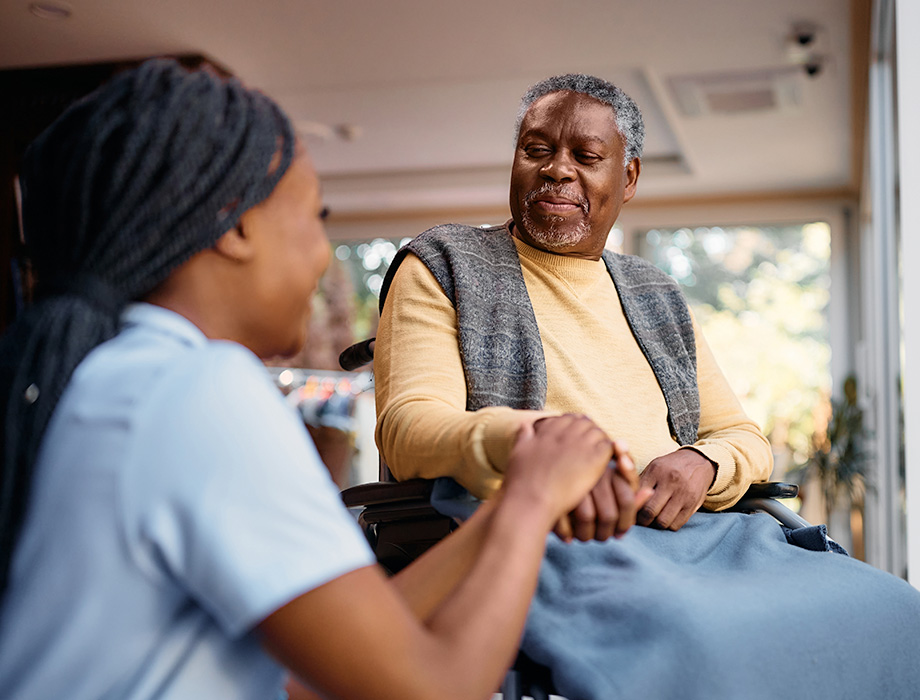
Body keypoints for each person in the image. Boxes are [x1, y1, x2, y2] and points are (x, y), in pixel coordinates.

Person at [0, 59, 644, 700]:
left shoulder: (121, 377)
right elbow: (430, 688)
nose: (321, 258)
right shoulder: (200, 392)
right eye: (315, 218)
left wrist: (513, 505)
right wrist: (531, 498)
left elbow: (305, 672)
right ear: (234, 225)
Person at [374, 74, 920, 700]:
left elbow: (742, 437)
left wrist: (704, 461)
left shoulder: (656, 294)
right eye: (536, 150)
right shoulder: (443, 264)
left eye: (587, 157)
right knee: (704, 642)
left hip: (697, 535)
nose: (557, 171)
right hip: (556, 535)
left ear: (628, 179)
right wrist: (538, 445)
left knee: (904, 615)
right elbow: (408, 429)